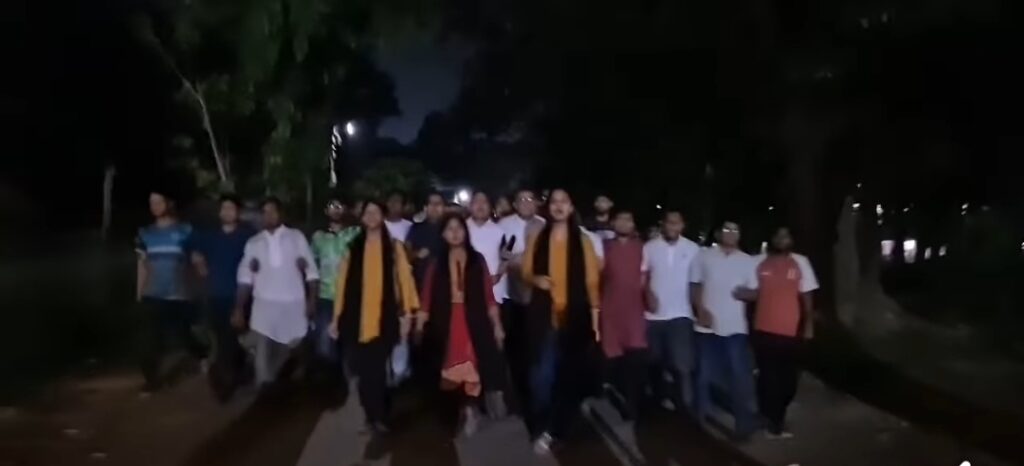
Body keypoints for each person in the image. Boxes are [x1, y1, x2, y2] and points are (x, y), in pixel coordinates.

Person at [522, 188, 601, 454]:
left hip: (574, 319)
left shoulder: (583, 241)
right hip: (544, 318)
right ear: (549, 207)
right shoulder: (538, 236)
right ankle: (543, 420)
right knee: (541, 378)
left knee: (568, 377)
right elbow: (526, 271)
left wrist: (595, 320)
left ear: (570, 207)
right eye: (554, 202)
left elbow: (592, 282)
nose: (558, 206)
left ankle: (554, 430)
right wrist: (537, 280)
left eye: (563, 201)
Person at [330, 200, 419, 433]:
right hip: (356, 320)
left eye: (376, 212)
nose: (371, 216)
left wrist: (408, 314)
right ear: (362, 218)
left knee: (378, 371)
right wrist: (336, 318)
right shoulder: (353, 248)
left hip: (384, 319)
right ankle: (371, 415)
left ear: (382, 216)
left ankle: (378, 416)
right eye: (367, 213)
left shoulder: (394, 247)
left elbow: (405, 281)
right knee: (362, 372)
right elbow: (342, 285)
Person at [416, 214, 508, 436]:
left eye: (459, 228)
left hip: (474, 321)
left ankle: (471, 408)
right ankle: (456, 411)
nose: (455, 233)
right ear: (443, 235)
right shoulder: (436, 265)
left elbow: (489, 297)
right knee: (450, 368)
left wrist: (497, 326)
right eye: (450, 229)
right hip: (446, 323)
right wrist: (419, 326)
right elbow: (426, 300)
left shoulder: (477, 261)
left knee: (473, 365)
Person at [739, 226, 818, 438]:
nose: (782, 239)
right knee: (768, 378)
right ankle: (774, 423)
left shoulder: (801, 262)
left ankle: (774, 414)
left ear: (791, 239)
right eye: (778, 235)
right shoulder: (758, 262)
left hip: (791, 331)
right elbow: (755, 292)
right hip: (763, 329)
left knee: (789, 382)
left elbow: (807, 295)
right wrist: (742, 294)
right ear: (772, 239)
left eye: (786, 236)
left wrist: (809, 324)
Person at [233, 198, 319, 389]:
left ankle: (283, 385)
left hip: (293, 304)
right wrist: (239, 308)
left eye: (273, 211)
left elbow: (312, 273)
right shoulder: (254, 243)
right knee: (263, 352)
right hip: (264, 305)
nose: (269, 215)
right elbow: (245, 279)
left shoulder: (296, 237)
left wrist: (311, 301)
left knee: (291, 347)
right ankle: (264, 388)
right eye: (265, 212)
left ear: (281, 214)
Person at [690, 220, 758, 440]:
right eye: (726, 229)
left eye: (735, 230)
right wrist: (700, 310)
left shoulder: (747, 261)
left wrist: (747, 295)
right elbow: (695, 284)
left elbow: (755, 292)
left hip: (735, 328)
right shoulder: (704, 256)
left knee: (739, 376)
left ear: (739, 235)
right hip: (706, 326)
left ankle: (743, 424)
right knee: (703, 376)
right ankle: (701, 422)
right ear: (719, 234)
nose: (730, 233)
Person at [135, 190, 207, 395]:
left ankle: (202, 355)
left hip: (179, 294)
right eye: (152, 202)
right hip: (153, 294)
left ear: (169, 203)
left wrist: (206, 287)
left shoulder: (186, 231)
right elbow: (142, 265)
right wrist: (139, 293)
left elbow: (198, 262)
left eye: (159, 201)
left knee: (184, 335)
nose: (155, 206)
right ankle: (151, 381)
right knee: (149, 340)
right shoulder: (145, 234)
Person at [192, 194, 255, 401]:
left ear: (238, 212)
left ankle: (224, 386)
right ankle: (240, 371)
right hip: (215, 296)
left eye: (231, 208)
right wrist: (200, 265)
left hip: (238, 297)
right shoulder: (210, 236)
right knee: (222, 339)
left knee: (228, 340)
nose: (227, 212)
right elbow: (195, 252)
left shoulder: (247, 236)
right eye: (224, 208)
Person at [643, 209, 701, 413]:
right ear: (663, 225)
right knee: (654, 362)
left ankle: (686, 406)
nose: (672, 226)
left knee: (682, 364)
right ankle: (658, 400)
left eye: (676, 223)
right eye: (669, 222)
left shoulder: (693, 249)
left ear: (682, 226)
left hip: (681, 314)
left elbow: (696, 282)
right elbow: (643, 276)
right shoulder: (650, 247)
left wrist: (699, 308)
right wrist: (648, 295)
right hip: (653, 316)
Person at [497, 189, 546, 406]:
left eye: (530, 199)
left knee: (537, 345)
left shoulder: (545, 225)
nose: (526, 203)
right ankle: (516, 392)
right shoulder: (503, 225)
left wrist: (522, 259)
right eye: (521, 200)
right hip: (512, 295)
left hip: (538, 294)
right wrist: (512, 260)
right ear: (515, 205)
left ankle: (536, 390)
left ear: (536, 203)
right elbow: (500, 256)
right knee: (515, 346)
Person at [598, 209, 648, 420]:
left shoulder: (642, 248)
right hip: (611, 311)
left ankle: (632, 405)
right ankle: (613, 391)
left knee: (635, 360)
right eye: (620, 219)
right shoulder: (605, 247)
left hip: (635, 311)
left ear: (633, 225)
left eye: (628, 220)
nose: (624, 223)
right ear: (613, 223)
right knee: (612, 359)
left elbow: (646, 277)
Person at [309, 198, 361, 384]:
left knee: (350, 342)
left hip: (350, 297)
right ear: (326, 211)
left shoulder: (356, 234)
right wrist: (311, 298)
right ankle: (333, 379)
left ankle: (350, 379)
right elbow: (312, 268)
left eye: (339, 206)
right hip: (326, 297)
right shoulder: (318, 237)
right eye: (331, 206)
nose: (336, 210)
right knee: (325, 344)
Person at [406, 192, 447, 289]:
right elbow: (405, 254)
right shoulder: (415, 228)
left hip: (444, 283)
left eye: (438, 203)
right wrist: (416, 254)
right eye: (431, 203)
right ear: (425, 208)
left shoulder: (450, 228)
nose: (435, 207)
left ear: (444, 208)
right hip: (420, 283)